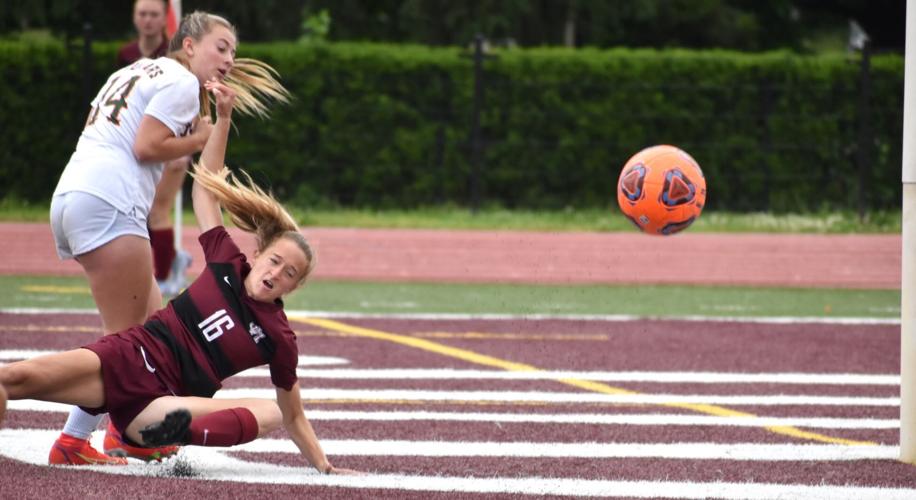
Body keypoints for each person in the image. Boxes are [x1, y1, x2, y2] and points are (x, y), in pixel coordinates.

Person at [0, 80, 359, 476]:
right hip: (130, 358)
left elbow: (294, 417)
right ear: (257, 255)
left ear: (295, 286)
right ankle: (97, 436)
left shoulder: (278, 336)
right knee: (12, 380)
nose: (276, 273)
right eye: (274, 261)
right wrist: (223, 119)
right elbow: (205, 189)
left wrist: (325, 466)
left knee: (270, 412)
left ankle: (164, 431)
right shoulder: (227, 261)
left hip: (165, 402)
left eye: (289, 273)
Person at [48, 10, 288, 466]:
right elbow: (146, 146)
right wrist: (198, 138)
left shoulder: (137, 69)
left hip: (77, 194)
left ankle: (116, 431)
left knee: (154, 321)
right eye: (222, 47)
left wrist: (198, 133)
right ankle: (84, 437)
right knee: (126, 346)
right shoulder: (179, 81)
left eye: (234, 51)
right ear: (190, 44)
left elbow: (117, 136)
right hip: (107, 202)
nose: (230, 58)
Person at [118, 0, 194, 297]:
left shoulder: (174, 56)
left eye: (154, 14)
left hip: (167, 142)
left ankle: (163, 278)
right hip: (136, 145)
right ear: (135, 17)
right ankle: (169, 261)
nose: (148, 20)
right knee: (136, 211)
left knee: (157, 212)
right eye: (142, 14)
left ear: (165, 19)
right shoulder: (126, 55)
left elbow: (188, 101)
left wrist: (180, 149)